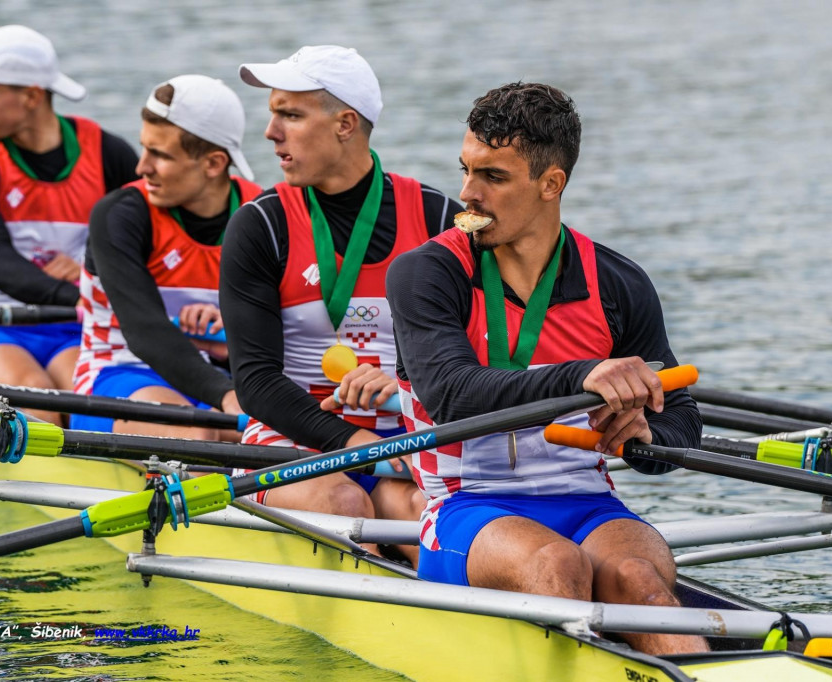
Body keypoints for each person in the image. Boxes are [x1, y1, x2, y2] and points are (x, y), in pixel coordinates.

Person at [385, 82, 708, 654]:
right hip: (466, 502)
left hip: (589, 500)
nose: (467, 194)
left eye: (493, 177)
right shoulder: (427, 273)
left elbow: (681, 413)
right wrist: (583, 375)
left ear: (551, 184)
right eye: (466, 170)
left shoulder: (616, 282)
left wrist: (645, 435)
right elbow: (451, 394)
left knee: (642, 586)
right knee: (556, 564)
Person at [220, 45, 463, 564]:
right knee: (342, 500)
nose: (270, 132)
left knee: (422, 510)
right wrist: (354, 440)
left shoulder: (441, 218)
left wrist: (405, 385)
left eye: (290, 114)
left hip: (405, 432)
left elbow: (474, 353)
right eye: (273, 114)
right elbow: (255, 381)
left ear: (345, 124)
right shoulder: (259, 225)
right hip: (291, 432)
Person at [0, 25, 138, 424]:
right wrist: (81, 289)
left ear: (31, 95)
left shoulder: (109, 154)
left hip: (77, 330)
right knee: (40, 405)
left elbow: (142, 250)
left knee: (92, 410)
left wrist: (83, 276)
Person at [71, 75, 261, 439]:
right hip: (121, 375)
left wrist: (230, 327)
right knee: (199, 436)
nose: (141, 167)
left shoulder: (262, 215)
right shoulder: (121, 215)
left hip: (220, 375)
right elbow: (146, 332)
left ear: (213, 163)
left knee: (294, 441)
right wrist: (225, 394)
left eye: (159, 155)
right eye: (145, 149)